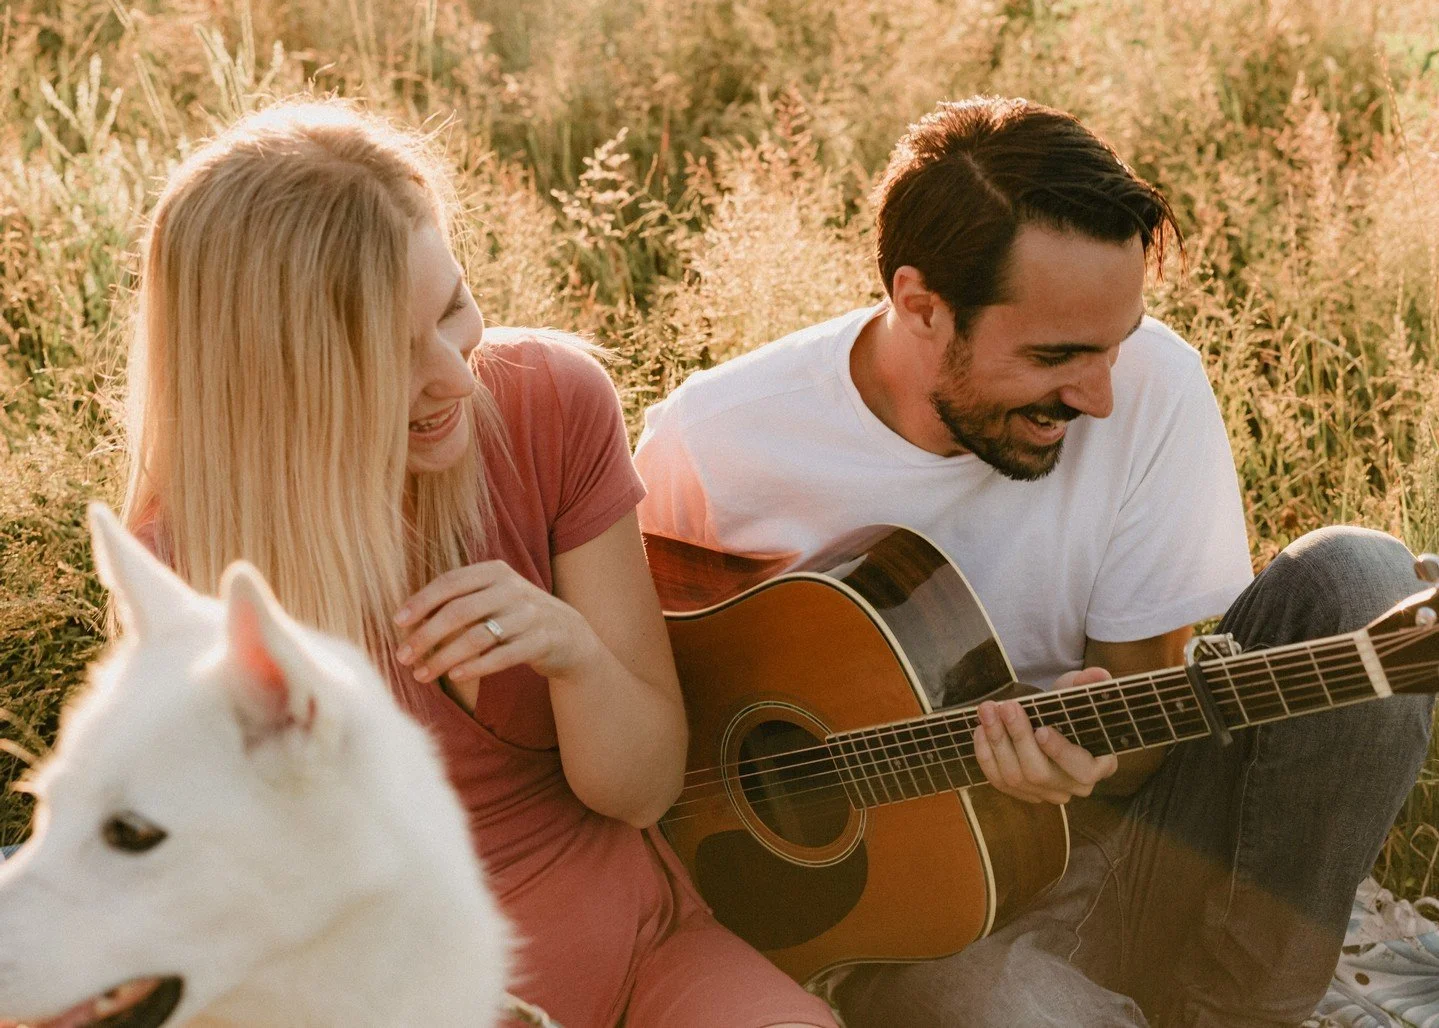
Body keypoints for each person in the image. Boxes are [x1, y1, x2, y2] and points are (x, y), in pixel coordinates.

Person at [634, 95, 1435, 1027]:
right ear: (920, 305)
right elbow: (643, 686)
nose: (1097, 396)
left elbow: (1142, 723)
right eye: (1055, 355)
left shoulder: (1152, 389)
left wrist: (1090, 764)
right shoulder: (717, 439)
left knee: (1359, 578)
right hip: (901, 927)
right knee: (1011, 1011)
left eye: (1114, 348)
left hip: (1118, 853)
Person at [117, 99, 838, 1028]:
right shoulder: (184, 570)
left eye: (453, 307)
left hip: (646, 951)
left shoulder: (552, 402)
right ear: (273, 377)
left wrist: (571, 650)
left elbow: (644, 788)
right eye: (385, 353)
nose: (457, 376)